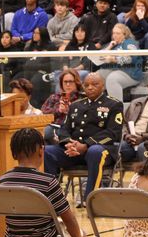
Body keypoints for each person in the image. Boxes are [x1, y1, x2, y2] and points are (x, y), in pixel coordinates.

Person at [44, 73, 124, 201]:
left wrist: (86, 145)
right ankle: (52, 199)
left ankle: (90, 201)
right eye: (86, 85)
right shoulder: (76, 105)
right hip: (74, 151)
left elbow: (113, 133)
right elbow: (64, 128)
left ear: (103, 86)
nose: (90, 88)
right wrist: (68, 143)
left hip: (100, 150)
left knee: (95, 151)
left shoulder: (113, 105)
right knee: (47, 151)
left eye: (94, 84)